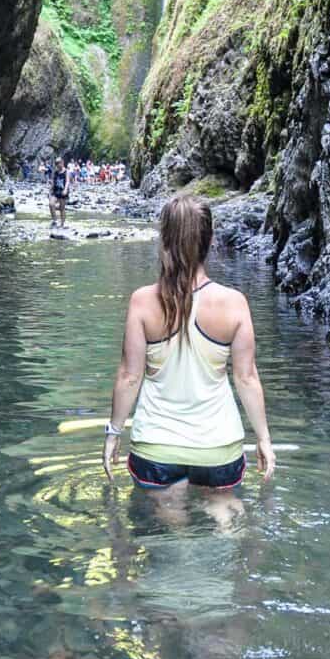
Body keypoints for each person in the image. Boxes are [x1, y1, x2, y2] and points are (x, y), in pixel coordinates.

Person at [103, 194, 276, 493]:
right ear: (209, 242)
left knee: (166, 529)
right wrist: (264, 440)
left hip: (157, 448)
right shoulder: (234, 304)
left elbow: (130, 377)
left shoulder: (143, 302)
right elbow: (246, 379)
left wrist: (113, 433)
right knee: (226, 521)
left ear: (164, 241)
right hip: (219, 448)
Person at [49, 156, 69, 227]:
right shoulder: (55, 172)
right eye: (56, 163)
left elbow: (67, 181)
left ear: (62, 162)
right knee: (51, 204)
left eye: (58, 163)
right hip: (55, 191)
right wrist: (50, 190)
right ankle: (55, 220)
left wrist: (65, 189)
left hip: (63, 191)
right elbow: (53, 182)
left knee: (62, 208)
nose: (57, 164)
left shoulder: (66, 171)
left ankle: (62, 224)